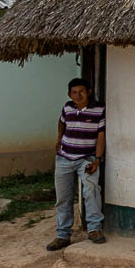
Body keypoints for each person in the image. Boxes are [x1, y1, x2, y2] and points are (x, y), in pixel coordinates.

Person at [45, 78, 106, 250]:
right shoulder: (67, 107)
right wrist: (59, 139)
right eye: (74, 92)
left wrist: (98, 159)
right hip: (64, 158)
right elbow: (61, 122)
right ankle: (62, 235)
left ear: (89, 92)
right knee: (63, 198)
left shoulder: (99, 110)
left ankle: (94, 229)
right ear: (69, 94)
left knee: (92, 191)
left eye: (81, 91)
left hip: (87, 159)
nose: (78, 95)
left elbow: (101, 135)